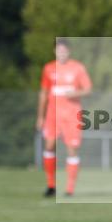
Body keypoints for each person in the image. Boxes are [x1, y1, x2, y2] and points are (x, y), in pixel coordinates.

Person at [37, 39, 92, 197]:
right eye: (59, 50)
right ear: (55, 51)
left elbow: (88, 89)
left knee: (72, 149)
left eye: (64, 50)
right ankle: (51, 185)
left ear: (69, 51)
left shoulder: (78, 68)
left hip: (72, 115)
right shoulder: (48, 68)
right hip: (52, 115)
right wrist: (40, 116)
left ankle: (69, 188)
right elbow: (43, 93)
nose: (62, 52)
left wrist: (74, 93)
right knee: (48, 146)